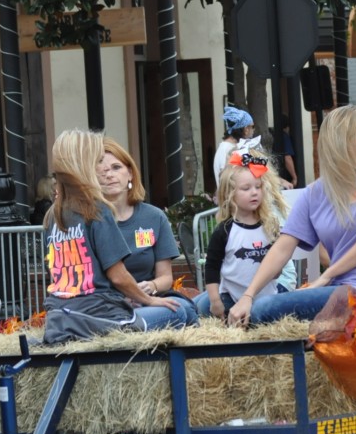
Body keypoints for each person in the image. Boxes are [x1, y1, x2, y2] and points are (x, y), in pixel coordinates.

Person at [227, 105, 356, 327]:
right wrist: (248, 295)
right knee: (224, 305)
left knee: (263, 310)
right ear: (341, 140)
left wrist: (325, 276)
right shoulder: (315, 193)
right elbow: (283, 247)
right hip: (338, 290)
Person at [43, 130, 175, 344]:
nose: (104, 171)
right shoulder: (97, 209)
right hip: (102, 317)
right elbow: (117, 276)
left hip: (61, 317)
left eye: (115, 167)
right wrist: (149, 300)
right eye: (97, 161)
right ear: (85, 164)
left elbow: (55, 275)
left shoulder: (53, 215)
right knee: (183, 312)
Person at [99, 136, 197, 330]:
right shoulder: (92, 221)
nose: (109, 175)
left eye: (116, 167)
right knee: (179, 313)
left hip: (152, 300)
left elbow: (166, 278)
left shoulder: (154, 217)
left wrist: (151, 287)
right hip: (110, 306)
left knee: (187, 308)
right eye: (101, 170)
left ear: (130, 173)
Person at [194, 145, 288, 319]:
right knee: (202, 308)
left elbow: (278, 263)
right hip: (232, 298)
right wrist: (215, 301)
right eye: (246, 189)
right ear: (230, 193)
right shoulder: (224, 230)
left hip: (267, 296)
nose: (254, 193)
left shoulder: (270, 225)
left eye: (258, 187)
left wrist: (278, 269)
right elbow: (212, 267)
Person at [213, 104, 255, 183]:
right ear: (246, 129)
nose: (253, 130)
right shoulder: (228, 149)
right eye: (252, 126)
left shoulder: (227, 147)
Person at [271, 113, 298, 188]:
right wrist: (294, 177)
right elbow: (287, 158)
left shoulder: (272, 134)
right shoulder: (284, 137)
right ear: (287, 126)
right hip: (281, 176)